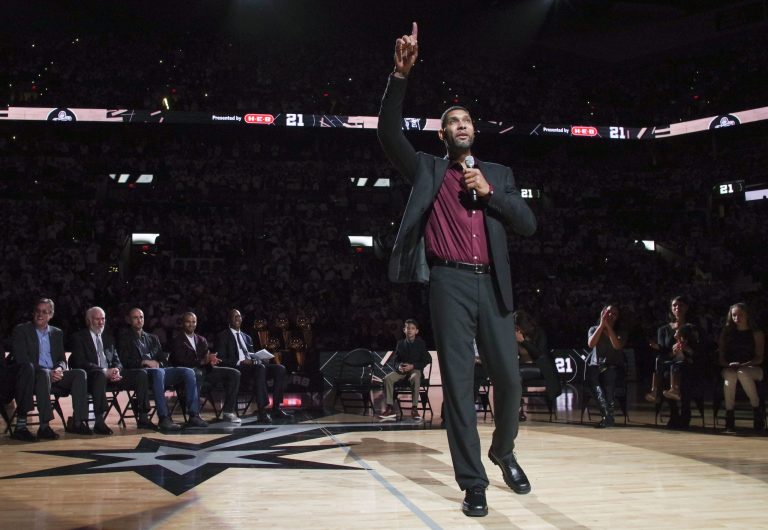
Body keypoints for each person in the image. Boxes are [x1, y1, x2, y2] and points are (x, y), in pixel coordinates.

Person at [377, 22, 537, 517]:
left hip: (492, 285)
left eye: (467, 120)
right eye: (453, 121)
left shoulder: (501, 176)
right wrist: (399, 76)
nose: (462, 125)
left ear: (474, 130)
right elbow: (387, 133)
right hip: (447, 280)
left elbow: (528, 225)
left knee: (509, 381)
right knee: (462, 387)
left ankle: (503, 449)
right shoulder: (427, 168)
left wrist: (491, 196)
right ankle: (474, 483)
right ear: (443, 134)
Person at [9, 298, 91, 439]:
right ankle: (44, 426)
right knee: (43, 373)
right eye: (38, 311)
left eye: (45, 312)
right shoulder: (22, 330)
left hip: (54, 375)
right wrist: (48, 371)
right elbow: (22, 359)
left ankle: (77, 422)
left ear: (51, 315)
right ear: (33, 313)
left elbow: (61, 359)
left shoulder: (57, 333)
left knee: (79, 374)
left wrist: (59, 368)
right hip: (33, 377)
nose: (40, 315)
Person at [117, 307, 208, 431]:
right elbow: (124, 361)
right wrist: (144, 362)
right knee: (159, 372)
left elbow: (163, 358)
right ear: (129, 320)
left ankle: (194, 415)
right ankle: (164, 418)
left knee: (189, 371)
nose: (139, 320)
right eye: (135, 317)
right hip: (140, 373)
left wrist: (158, 362)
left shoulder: (153, 338)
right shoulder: (124, 338)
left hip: (158, 371)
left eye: (141, 317)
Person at [69, 306, 158, 431]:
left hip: (112, 375)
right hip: (92, 377)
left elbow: (117, 359)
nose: (101, 322)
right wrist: (104, 371)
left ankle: (143, 417)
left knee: (141, 374)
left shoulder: (108, 337)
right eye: (97, 319)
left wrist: (116, 369)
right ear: (88, 321)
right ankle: (99, 421)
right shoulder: (79, 337)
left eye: (103, 319)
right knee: (100, 375)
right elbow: (79, 362)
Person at [215, 309, 290, 424]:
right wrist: (240, 361)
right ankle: (262, 411)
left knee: (280, 368)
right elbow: (221, 359)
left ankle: (276, 408)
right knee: (260, 368)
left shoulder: (247, 337)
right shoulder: (223, 336)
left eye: (239, 316)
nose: (237, 319)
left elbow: (251, 355)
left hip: (253, 368)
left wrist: (259, 358)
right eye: (234, 317)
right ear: (229, 320)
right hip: (237, 370)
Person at [170, 312, 242, 424]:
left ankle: (228, 412)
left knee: (234, 373)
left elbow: (206, 358)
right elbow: (181, 361)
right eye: (188, 322)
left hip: (205, 370)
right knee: (196, 373)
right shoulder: (177, 340)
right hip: (187, 373)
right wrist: (203, 361)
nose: (191, 324)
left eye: (193, 322)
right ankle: (194, 415)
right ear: (183, 323)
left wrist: (211, 361)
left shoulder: (201, 340)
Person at [646, 295, 702, 428]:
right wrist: (666, 350)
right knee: (664, 372)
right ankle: (673, 411)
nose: (677, 308)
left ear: (687, 307)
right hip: (670, 363)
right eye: (674, 305)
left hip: (689, 363)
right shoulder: (663, 329)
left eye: (680, 305)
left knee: (682, 373)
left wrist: (685, 348)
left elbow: (700, 350)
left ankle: (685, 412)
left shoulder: (694, 328)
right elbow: (663, 352)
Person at [718, 303, 765, 434]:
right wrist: (729, 365)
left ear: (747, 315)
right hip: (731, 368)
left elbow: (759, 357)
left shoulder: (756, 333)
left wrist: (743, 365)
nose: (737, 318)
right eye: (734, 315)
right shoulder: (727, 333)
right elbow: (721, 357)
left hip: (753, 368)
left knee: (742, 373)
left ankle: (757, 409)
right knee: (731, 375)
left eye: (740, 315)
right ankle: (729, 416)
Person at [379, 319, 431, 421]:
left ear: (416, 331)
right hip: (402, 371)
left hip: (415, 369)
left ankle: (414, 409)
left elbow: (427, 360)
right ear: (404, 330)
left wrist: (413, 366)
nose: (410, 330)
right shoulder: (400, 343)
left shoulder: (420, 343)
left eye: (412, 328)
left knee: (415, 377)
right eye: (408, 328)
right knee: (387, 378)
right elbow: (395, 361)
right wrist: (398, 366)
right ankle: (390, 407)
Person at [515, 310, 561, 421]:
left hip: (541, 367)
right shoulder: (515, 334)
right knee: (513, 372)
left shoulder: (538, 333)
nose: (516, 329)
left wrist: (523, 341)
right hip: (523, 366)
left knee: (516, 373)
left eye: (517, 326)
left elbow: (539, 353)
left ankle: (518, 409)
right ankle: (515, 408)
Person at [586, 305, 626, 429]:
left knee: (609, 375)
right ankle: (607, 415)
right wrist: (601, 326)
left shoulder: (621, 331)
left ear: (617, 317)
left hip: (613, 366)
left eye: (614, 313)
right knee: (594, 379)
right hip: (596, 367)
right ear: (602, 313)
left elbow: (617, 346)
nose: (610, 315)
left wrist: (608, 327)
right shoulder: (593, 329)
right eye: (608, 312)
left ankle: (607, 416)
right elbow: (591, 344)